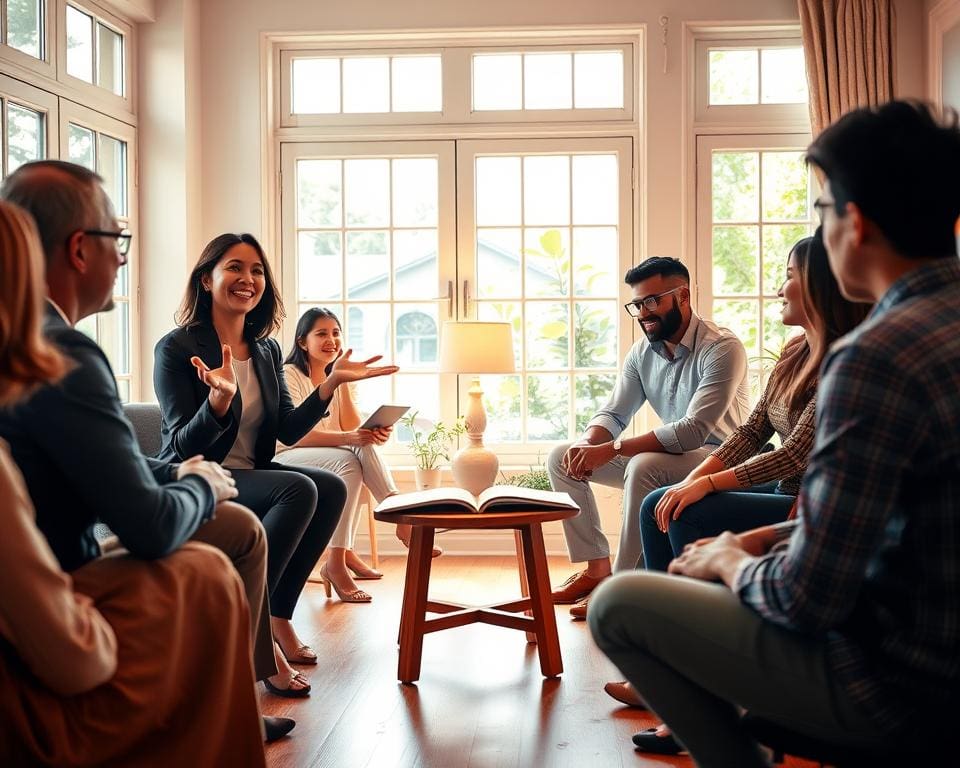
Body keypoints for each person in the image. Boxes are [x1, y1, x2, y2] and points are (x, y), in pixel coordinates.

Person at [590, 100, 960, 766]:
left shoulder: (876, 355)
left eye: (822, 213)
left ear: (855, 221)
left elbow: (805, 598)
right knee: (670, 508)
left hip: (903, 687)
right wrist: (771, 532)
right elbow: (909, 516)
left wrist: (727, 557)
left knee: (617, 605)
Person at [0, 161, 293, 741]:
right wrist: (200, 482)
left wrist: (180, 473)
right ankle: (226, 712)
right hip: (62, 579)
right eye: (118, 239)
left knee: (242, 524)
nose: (124, 257)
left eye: (257, 271)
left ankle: (242, 692)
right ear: (81, 249)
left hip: (62, 544)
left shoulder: (28, 335)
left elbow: (90, 459)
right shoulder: (68, 354)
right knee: (226, 539)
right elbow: (151, 527)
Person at [614, 231, 869, 754]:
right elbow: (751, 433)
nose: (780, 288)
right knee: (658, 503)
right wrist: (688, 482)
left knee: (690, 514)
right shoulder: (797, 350)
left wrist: (703, 483)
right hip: (782, 490)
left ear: (820, 287)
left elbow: (793, 456)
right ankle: (671, 668)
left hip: (802, 503)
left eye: (790, 277)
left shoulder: (845, 359)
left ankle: (706, 687)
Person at [154, 233, 397, 680]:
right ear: (207, 279)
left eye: (257, 270)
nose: (248, 279)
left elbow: (286, 427)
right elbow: (183, 445)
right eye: (235, 267)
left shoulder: (265, 349)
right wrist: (218, 404)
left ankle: (277, 616)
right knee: (298, 486)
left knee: (329, 485)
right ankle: (253, 632)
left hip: (252, 473)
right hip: (197, 475)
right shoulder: (176, 348)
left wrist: (330, 385)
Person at [548, 256, 750, 618]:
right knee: (562, 457)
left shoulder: (722, 348)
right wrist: (589, 445)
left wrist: (613, 449)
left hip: (717, 458)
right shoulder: (642, 352)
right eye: (638, 304)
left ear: (683, 296)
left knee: (643, 466)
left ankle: (623, 589)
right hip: (671, 456)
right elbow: (614, 413)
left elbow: (692, 431)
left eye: (652, 301)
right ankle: (597, 571)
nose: (644, 313)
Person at [275, 307, 401, 602]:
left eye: (335, 333)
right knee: (349, 457)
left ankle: (339, 557)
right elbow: (297, 436)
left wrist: (340, 383)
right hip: (286, 454)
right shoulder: (289, 375)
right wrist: (354, 437)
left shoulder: (339, 375)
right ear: (303, 342)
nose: (331, 339)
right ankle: (391, 521)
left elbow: (351, 428)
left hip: (327, 456)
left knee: (354, 457)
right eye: (321, 333)